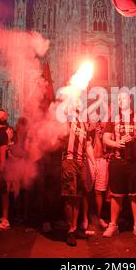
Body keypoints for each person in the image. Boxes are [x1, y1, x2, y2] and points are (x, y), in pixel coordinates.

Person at [102, 91, 136, 238]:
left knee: (135, 194)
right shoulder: (114, 118)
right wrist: (117, 143)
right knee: (116, 194)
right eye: (118, 99)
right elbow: (105, 138)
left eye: (122, 98)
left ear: (129, 99)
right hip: (117, 160)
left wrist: (135, 139)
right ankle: (113, 225)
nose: (120, 101)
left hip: (134, 160)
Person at [61, 96, 97, 246]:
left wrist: (93, 163)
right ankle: (70, 230)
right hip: (69, 160)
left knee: (79, 196)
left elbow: (88, 145)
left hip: (81, 162)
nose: (79, 102)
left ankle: (75, 228)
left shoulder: (84, 123)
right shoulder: (67, 118)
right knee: (70, 196)